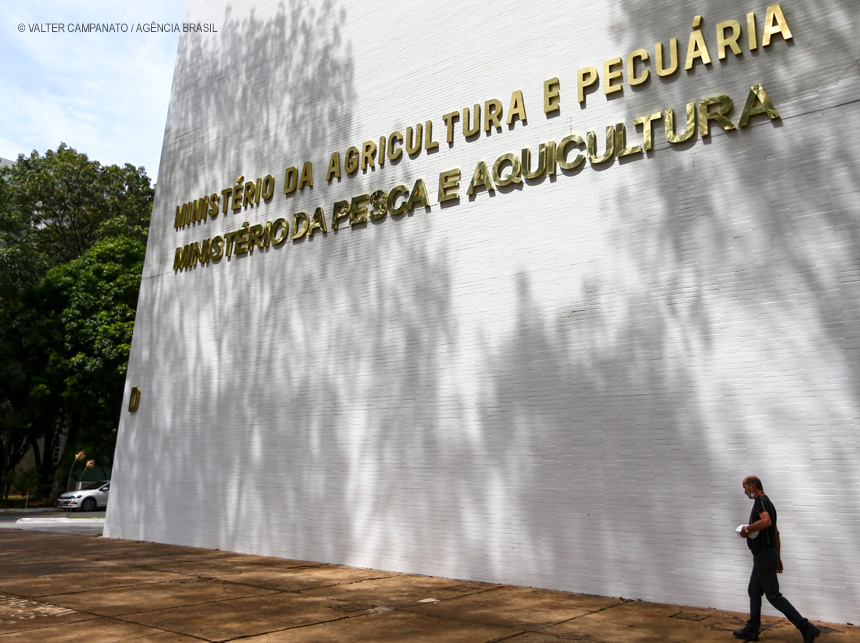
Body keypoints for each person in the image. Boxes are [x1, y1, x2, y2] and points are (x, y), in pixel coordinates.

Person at [734, 476, 820, 643]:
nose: (745, 492)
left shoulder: (760, 501)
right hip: (766, 555)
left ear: (752, 487)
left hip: (764, 556)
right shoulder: (769, 503)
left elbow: (766, 522)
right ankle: (752, 629)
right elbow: (776, 533)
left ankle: (806, 627)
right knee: (754, 590)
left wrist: (747, 529)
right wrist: (778, 557)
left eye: (745, 488)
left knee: (773, 596)